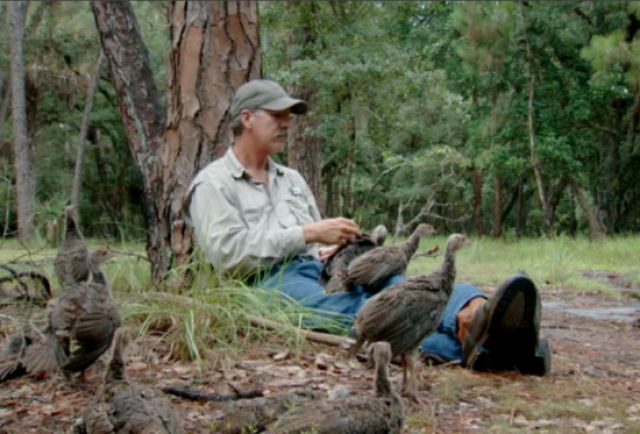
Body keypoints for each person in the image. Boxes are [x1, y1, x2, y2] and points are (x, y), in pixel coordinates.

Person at [185, 79, 550, 375]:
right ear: (246, 118)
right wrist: (309, 234)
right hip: (266, 283)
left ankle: (477, 315)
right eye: (277, 114)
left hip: (325, 270)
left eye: (290, 115)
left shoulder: (291, 179)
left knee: (405, 287)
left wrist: (335, 247)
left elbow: (314, 241)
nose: (287, 123)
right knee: (362, 310)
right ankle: (499, 346)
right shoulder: (214, 183)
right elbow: (226, 256)